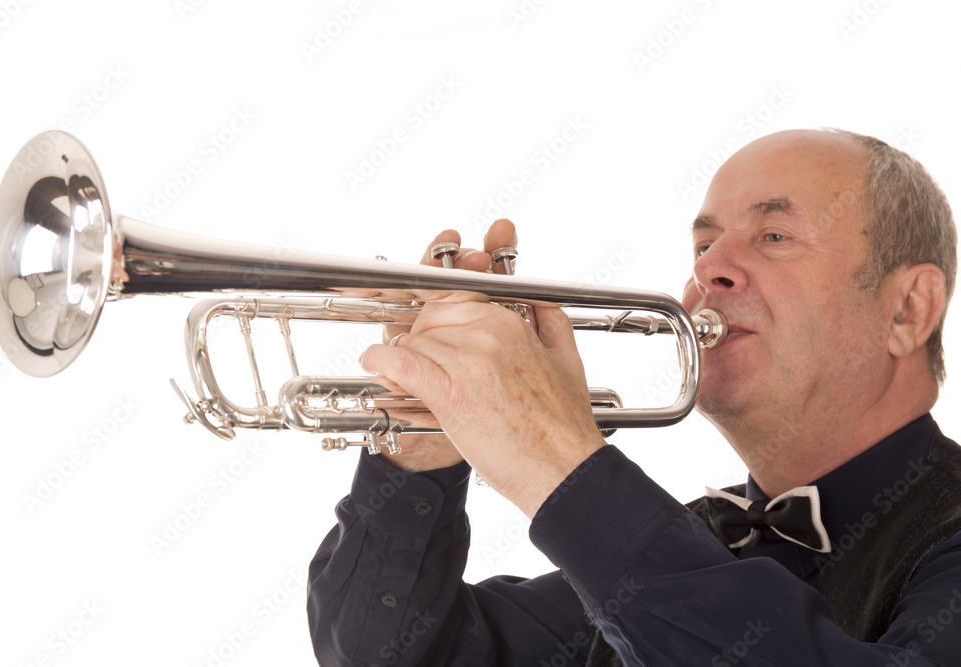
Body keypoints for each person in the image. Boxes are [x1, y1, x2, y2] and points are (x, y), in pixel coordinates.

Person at [307, 129, 961, 665]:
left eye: (774, 236)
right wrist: (424, 438)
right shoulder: (683, 547)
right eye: (704, 244)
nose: (706, 269)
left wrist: (556, 463)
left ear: (909, 307)